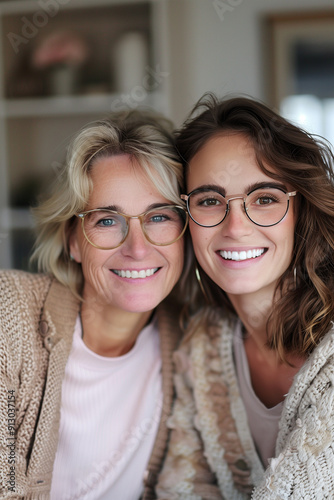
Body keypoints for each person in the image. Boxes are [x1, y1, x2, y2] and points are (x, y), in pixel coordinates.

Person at [0, 109, 188, 499]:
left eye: (159, 216)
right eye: (106, 220)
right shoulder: (10, 313)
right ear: (72, 239)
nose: (137, 248)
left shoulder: (195, 342)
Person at [156, 95, 334, 499]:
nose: (235, 227)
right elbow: (180, 490)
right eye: (209, 200)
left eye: (265, 198)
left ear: (300, 210)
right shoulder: (202, 346)